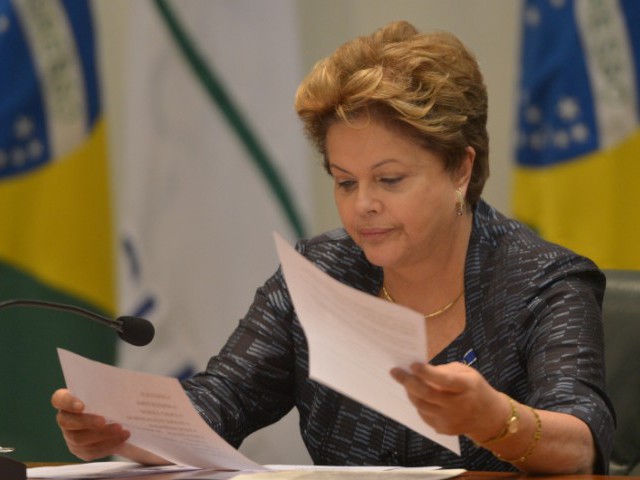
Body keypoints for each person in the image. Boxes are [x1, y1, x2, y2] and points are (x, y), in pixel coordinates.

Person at [52, 21, 615, 474]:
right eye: (345, 182)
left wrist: (495, 419)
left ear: (461, 170)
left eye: (389, 180)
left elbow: (582, 446)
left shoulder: (542, 283)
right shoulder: (321, 273)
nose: (362, 205)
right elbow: (220, 403)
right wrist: (126, 431)